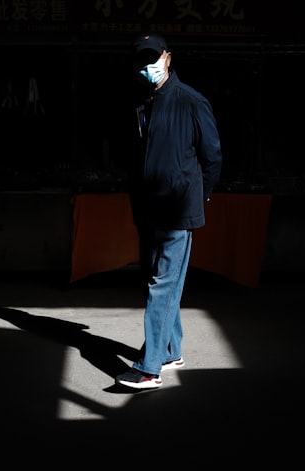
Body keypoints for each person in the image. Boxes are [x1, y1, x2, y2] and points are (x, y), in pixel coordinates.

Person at [115, 32, 223, 390]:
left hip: (178, 210)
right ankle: (171, 350)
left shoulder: (191, 101)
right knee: (162, 282)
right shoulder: (143, 102)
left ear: (168, 58)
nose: (148, 67)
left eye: (154, 59)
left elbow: (213, 157)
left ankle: (149, 369)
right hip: (149, 209)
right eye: (142, 62)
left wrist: (198, 195)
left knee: (161, 286)